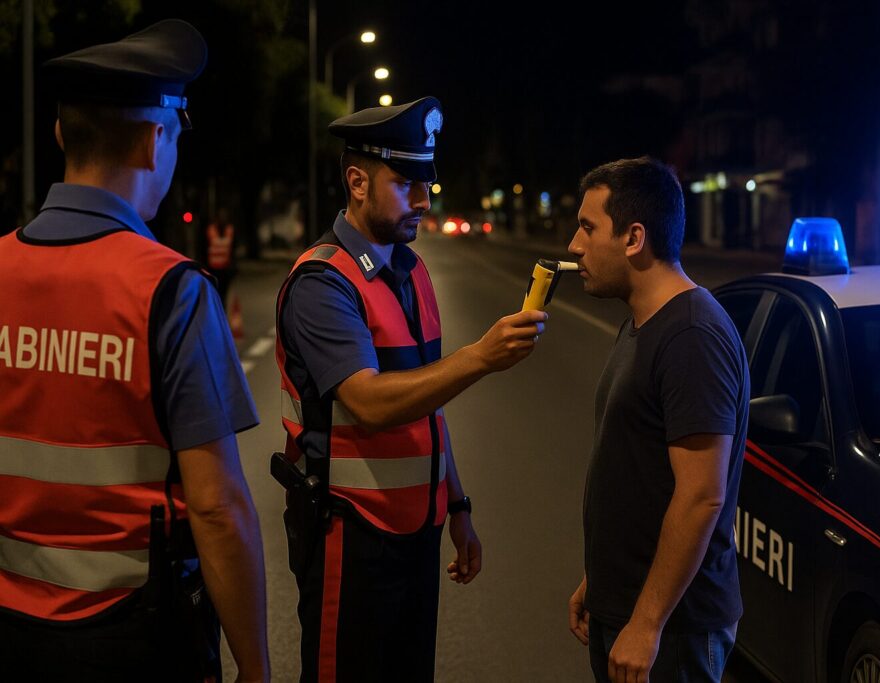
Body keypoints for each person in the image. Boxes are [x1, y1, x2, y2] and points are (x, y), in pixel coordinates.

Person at [0, 20, 269, 682]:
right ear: (157, 141)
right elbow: (216, 506)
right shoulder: (171, 291)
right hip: (131, 638)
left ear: (62, 134)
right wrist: (255, 666)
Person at [274, 96, 547, 682]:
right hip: (350, 534)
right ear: (357, 182)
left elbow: (428, 400)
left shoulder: (410, 269)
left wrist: (457, 504)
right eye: (405, 184)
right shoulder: (324, 282)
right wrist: (479, 357)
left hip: (415, 533)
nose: (424, 200)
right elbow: (370, 403)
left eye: (427, 183)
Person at [565, 157, 749, 683]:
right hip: (625, 606)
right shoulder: (642, 324)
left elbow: (700, 496)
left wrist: (647, 623)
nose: (574, 246)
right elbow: (637, 476)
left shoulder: (692, 335)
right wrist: (598, 584)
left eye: (587, 227)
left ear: (634, 238)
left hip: (674, 628)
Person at [204, 207, 237, 307]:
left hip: (225, 269)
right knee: (215, 294)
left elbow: (233, 250)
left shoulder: (230, 230)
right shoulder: (210, 230)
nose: (223, 219)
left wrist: (233, 267)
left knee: (223, 295)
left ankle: (222, 310)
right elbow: (203, 248)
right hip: (213, 269)